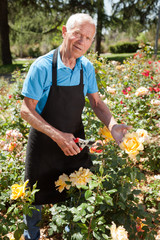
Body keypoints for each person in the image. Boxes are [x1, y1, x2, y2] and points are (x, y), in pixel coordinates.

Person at [20, 13, 131, 240]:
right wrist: (57, 136)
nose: (82, 41)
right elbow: (25, 110)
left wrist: (112, 125)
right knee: (34, 200)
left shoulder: (85, 68)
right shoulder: (41, 67)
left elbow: (97, 103)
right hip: (43, 143)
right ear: (64, 32)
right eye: (77, 34)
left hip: (74, 142)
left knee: (75, 196)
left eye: (88, 38)